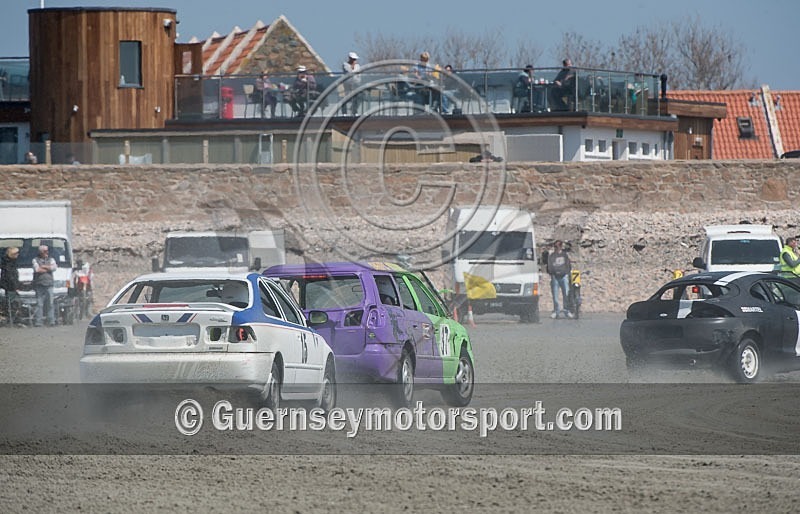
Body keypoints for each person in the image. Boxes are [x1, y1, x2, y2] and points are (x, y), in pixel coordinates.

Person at [32, 245, 57, 327]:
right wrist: (48, 268)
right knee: (39, 304)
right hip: (39, 284)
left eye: (47, 251)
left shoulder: (51, 259)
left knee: (50, 303)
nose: (47, 252)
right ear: (40, 252)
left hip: (49, 284)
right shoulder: (35, 260)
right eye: (45, 251)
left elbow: (54, 267)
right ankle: (38, 321)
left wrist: (44, 266)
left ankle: (51, 321)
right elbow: (37, 269)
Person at [547, 240, 573, 318]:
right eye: (555, 246)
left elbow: (568, 265)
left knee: (566, 294)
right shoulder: (552, 256)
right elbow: (549, 265)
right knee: (555, 295)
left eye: (557, 246)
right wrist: (552, 273)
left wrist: (566, 273)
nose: (556, 248)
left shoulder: (564, 255)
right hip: (555, 277)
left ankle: (567, 310)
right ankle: (556, 311)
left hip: (564, 277)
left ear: (561, 246)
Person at [1, 247, 20, 324]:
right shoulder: (8, 264)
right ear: (12, 254)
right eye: (16, 253)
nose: (18, 255)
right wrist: (15, 287)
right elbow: (10, 277)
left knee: (12, 303)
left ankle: (12, 318)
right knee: (12, 304)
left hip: (10, 286)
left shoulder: (10, 263)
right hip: (10, 287)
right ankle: (12, 319)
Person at [341, 51, 362, 116]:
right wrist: (353, 66)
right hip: (347, 84)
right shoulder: (345, 65)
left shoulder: (358, 66)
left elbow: (359, 75)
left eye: (355, 59)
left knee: (358, 97)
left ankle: (354, 111)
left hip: (356, 84)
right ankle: (344, 113)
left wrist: (358, 81)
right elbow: (350, 72)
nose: (354, 60)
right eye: (353, 59)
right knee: (346, 98)